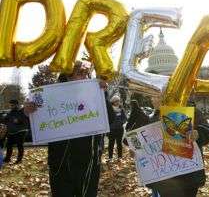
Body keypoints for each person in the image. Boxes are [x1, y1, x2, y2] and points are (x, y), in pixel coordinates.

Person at [24, 61, 113, 197]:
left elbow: (111, 120)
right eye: (80, 73)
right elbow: (34, 128)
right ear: (67, 75)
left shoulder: (95, 92)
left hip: (88, 162)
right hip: (60, 163)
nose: (84, 77)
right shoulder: (50, 95)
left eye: (86, 73)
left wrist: (104, 96)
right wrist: (28, 113)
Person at [147, 104, 209, 197]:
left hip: (189, 176)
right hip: (165, 178)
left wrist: (198, 133)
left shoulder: (192, 111)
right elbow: (144, 142)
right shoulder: (154, 116)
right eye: (153, 97)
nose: (153, 99)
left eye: (160, 94)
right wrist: (137, 151)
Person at [3, 99, 29, 164]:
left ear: (16, 105)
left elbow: (25, 119)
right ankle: (7, 159)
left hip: (21, 131)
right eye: (10, 105)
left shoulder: (22, 111)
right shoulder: (10, 112)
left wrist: (18, 121)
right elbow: (5, 120)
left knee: (19, 145)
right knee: (8, 145)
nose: (11, 106)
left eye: (12, 105)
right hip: (12, 132)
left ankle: (19, 160)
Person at [107, 95, 126, 161]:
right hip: (111, 129)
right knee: (111, 143)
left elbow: (124, 118)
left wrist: (121, 122)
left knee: (119, 143)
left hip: (120, 129)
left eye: (118, 101)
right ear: (113, 102)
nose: (117, 102)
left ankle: (120, 157)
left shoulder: (121, 109)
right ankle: (110, 157)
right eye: (116, 101)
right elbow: (107, 118)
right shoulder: (110, 109)